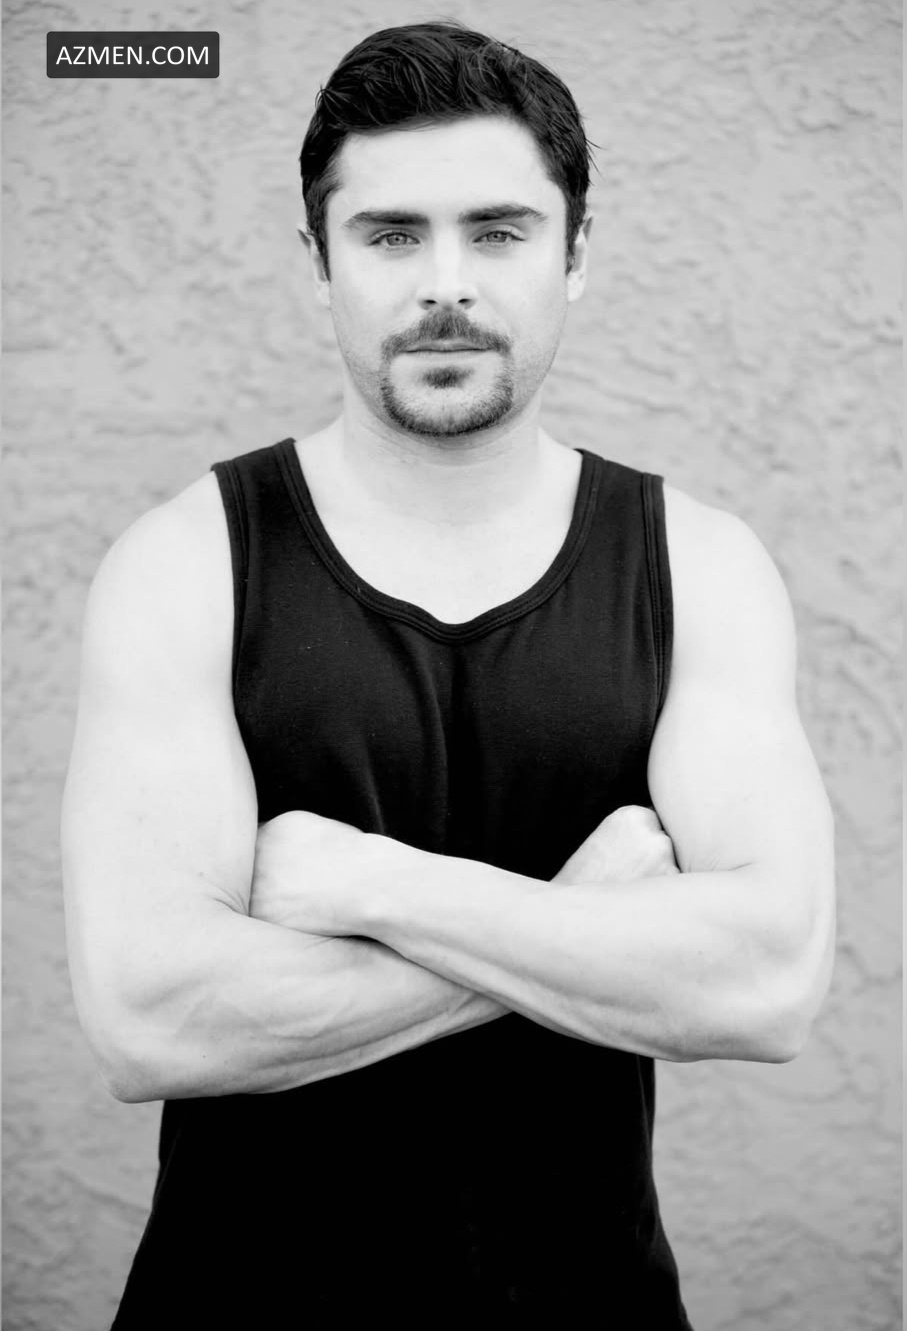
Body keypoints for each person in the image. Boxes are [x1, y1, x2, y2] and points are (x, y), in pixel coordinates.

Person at [61, 20, 835, 1329]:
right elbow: (152, 1018)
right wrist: (582, 923)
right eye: (390, 236)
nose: (445, 285)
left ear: (575, 254)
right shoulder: (187, 565)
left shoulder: (696, 567)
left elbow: (766, 986)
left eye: (498, 231)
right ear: (318, 263)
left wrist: (374, 886)